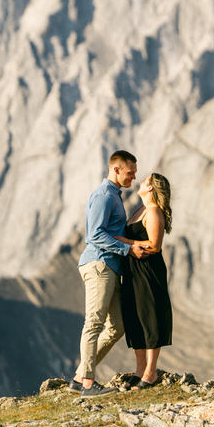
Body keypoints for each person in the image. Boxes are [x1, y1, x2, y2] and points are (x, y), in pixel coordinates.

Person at [70, 150, 147, 395]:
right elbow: (94, 234)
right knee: (94, 322)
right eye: (130, 172)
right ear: (116, 169)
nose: (133, 178)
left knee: (117, 326)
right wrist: (127, 249)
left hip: (109, 267)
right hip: (99, 265)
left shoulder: (114, 196)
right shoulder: (104, 195)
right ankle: (88, 384)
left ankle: (80, 376)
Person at [121, 172, 173, 387]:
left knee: (150, 317)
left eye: (145, 181)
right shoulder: (139, 210)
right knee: (136, 318)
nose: (140, 182)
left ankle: (150, 373)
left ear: (151, 188)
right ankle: (140, 369)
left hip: (147, 271)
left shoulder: (153, 212)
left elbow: (154, 245)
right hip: (133, 270)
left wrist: (123, 241)